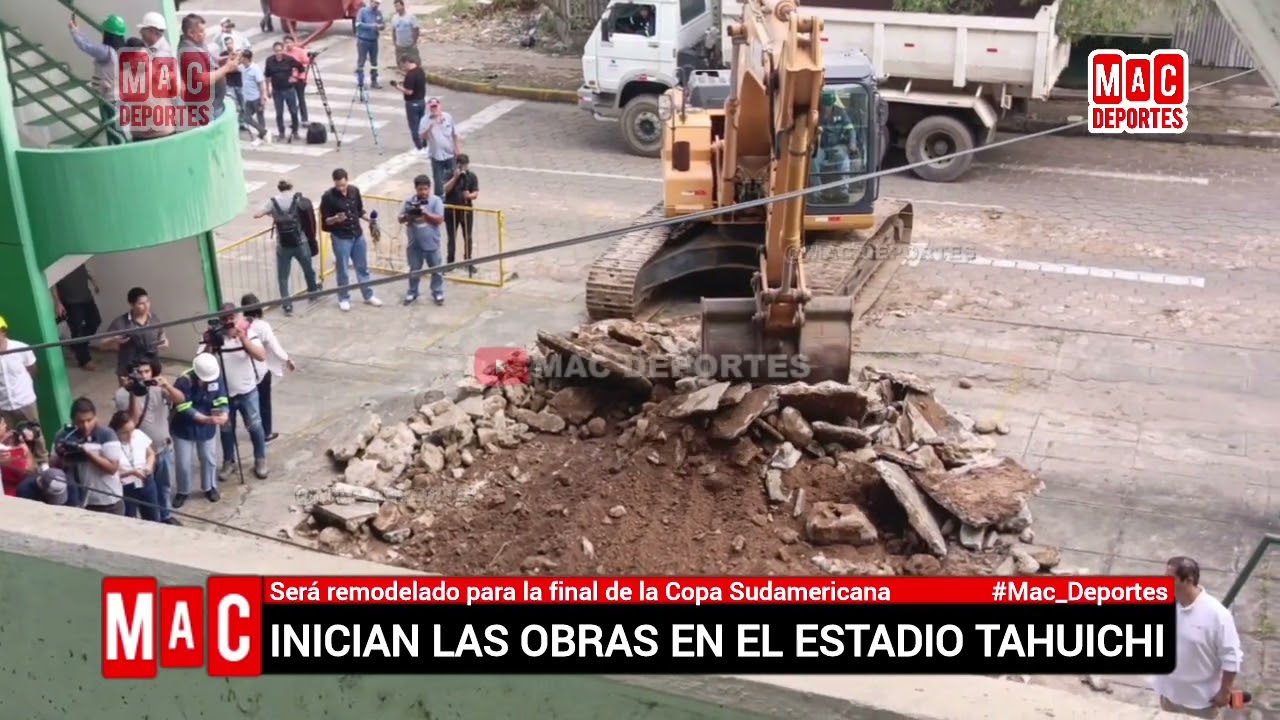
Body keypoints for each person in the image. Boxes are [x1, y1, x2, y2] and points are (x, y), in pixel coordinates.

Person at [1152, 556, 1243, 718]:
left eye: (1169, 578)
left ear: (1188, 580)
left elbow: (1231, 657)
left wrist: (1225, 692)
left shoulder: (1217, 615)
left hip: (1200, 700)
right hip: (1169, 694)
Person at [198, 305, 270, 481]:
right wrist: (210, 344)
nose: (228, 322)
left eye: (231, 318)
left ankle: (260, 459)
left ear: (237, 317)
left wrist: (243, 339)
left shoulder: (248, 332)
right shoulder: (212, 337)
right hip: (223, 394)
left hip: (247, 391)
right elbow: (200, 362)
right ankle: (229, 461)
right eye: (224, 319)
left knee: (255, 426)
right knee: (226, 429)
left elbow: (261, 355)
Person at [114, 355, 184, 524]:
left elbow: (180, 400)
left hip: (163, 448)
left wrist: (166, 385)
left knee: (164, 487)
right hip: (142, 455)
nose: (144, 376)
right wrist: (133, 393)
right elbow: (133, 420)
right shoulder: (123, 394)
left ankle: (165, 516)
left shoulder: (159, 389)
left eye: (147, 371)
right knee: (146, 491)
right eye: (139, 372)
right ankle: (153, 519)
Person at [320, 168, 384, 312]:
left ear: (347, 181)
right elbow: (325, 221)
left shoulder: (354, 191)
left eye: (343, 185)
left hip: (357, 235)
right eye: (338, 186)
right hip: (341, 237)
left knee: (362, 267)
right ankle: (343, 298)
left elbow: (359, 210)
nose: (341, 188)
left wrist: (370, 220)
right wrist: (336, 219)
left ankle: (368, 295)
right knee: (342, 269)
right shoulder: (328, 197)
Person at [255, 179, 321, 316]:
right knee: (308, 269)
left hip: (283, 245)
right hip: (300, 242)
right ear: (291, 187)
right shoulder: (297, 199)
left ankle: (287, 304)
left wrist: (271, 213)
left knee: (283, 276)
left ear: (279, 188)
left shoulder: (272, 202)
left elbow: (257, 215)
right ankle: (313, 291)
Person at [170, 352, 229, 506]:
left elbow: (221, 399)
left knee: (209, 459)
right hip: (184, 427)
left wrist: (224, 414)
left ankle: (210, 487)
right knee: (183, 462)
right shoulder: (184, 381)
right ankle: (183, 491)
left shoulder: (217, 377)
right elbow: (182, 406)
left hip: (207, 428)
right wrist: (203, 418)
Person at [50, 397, 124, 515]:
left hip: (108, 500)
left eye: (89, 420)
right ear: (73, 420)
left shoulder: (107, 435)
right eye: (80, 422)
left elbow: (112, 468)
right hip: (77, 500)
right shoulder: (64, 435)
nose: (85, 425)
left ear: (96, 418)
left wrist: (87, 453)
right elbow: (53, 467)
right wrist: (61, 454)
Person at [240, 294, 296, 442]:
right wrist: (287, 359)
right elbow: (275, 348)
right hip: (261, 369)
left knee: (248, 400)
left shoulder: (240, 327)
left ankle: (250, 425)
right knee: (264, 401)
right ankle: (266, 432)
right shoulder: (263, 327)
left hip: (244, 369)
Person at [68, 13, 128, 144]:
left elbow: (87, 46)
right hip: (119, 96)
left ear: (108, 33)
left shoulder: (106, 52)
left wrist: (74, 31)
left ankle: (126, 153)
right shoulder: (122, 51)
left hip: (109, 99)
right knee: (116, 130)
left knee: (114, 132)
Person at [0, 315, 48, 464]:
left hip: (25, 400)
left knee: (35, 433)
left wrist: (23, 388)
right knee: (9, 438)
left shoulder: (21, 348)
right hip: (3, 404)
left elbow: (32, 369)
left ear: (3, 331)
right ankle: (19, 466)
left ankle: (43, 463)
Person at [175, 14, 240, 122]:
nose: (205, 34)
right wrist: (227, 68)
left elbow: (213, 61)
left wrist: (228, 58)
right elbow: (202, 79)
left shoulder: (197, 44)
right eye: (201, 31)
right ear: (191, 33)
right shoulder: (189, 52)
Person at [399, 174, 446, 305]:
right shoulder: (409, 201)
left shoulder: (436, 201)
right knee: (414, 270)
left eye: (425, 189)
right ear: (416, 189)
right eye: (420, 189)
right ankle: (412, 292)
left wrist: (425, 213)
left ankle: (438, 292)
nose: (423, 192)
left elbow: (439, 220)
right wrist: (408, 215)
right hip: (415, 245)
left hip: (432, 244)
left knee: (436, 270)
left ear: (429, 188)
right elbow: (400, 219)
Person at [104, 287, 169, 382]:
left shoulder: (154, 318)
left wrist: (165, 341)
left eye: (147, 302)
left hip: (152, 367)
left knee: (153, 393)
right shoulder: (120, 322)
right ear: (131, 305)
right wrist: (113, 339)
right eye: (141, 303)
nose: (146, 306)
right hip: (129, 370)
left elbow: (161, 333)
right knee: (127, 395)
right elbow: (103, 344)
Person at [109, 410, 159, 522]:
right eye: (125, 432)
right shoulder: (111, 445)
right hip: (126, 487)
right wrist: (131, 472)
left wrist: (149, 466)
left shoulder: (139, 435)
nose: (130, 435)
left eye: (131, 430)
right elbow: (111, 473)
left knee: (153, 518)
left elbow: (151, 454)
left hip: (146, 481)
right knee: (129, 519)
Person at [52, 263, 102, 371]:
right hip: (71, 302)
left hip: (86, 297)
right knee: (77, 330)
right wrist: (58, 303)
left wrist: (94, 282)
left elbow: (85, 272)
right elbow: (53, 284)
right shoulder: (57, 264)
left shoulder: (76, 260)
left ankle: (78, 344)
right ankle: (84, 360)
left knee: (95, 321)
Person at [442, 154, 479, 274]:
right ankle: (450, 262)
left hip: (466, 210)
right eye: (460, 165)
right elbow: (445, 189)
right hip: (451, 210)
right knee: (451, 237)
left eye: (464, 165)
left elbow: (476, 193)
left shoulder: (471, 176)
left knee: (467, 237)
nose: (462, 167)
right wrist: (455, 177)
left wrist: (469, 196)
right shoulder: (449, 174)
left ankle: (468, 262)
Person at [264, 41, 305, 143]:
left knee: (294, 111)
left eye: (280, 51)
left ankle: (295, 131)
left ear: (283, 50)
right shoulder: (269, 61)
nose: (278, 53)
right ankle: (281, 132)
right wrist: (268, 89)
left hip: (289, 89)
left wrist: (294, 77)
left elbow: (301, 67)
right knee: (279, 113)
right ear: (274, 51)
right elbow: (267, 75)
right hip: (277, 91)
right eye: (276, 51)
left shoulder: (289, 59)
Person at [419, 97, 460, 197]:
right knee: (438, 180)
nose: (434, 109)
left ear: (439, 106)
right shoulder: (425, 120)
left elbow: (454, 134)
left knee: (453, 177)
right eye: (432, 107)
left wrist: (457, 149)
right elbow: (422, 136)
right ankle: (439, 201)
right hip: (436, 155)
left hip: (450, 154)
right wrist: (430, 127)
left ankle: (453, 197)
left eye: (435, 107)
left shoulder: (448, 117)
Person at [0, 414, 38, 497]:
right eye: (3, 424)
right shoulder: (7, 453)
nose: (6, 426)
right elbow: (29, 471)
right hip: (13, 497)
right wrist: (27, 451)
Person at [395, 56, 428, 152]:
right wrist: (404, 82)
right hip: (421, 101)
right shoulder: (420, 71)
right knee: (422, 124)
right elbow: (417, 84)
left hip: (412, 103)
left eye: (403, 65)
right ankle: (425, 141)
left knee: (414, 126)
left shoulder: (410, 75)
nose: (403, 68)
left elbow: (409, 92)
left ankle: (419, 146)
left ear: (406, 63)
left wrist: (397, 86)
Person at [239, 50, 269, 144]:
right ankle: (264, 132)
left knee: (260, 118)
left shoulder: (255, 69)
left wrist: (262, 97)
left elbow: (261, 84)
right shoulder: (242, 67)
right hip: (248, 98)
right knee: (246, 118)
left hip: (256, 98)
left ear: (246, 58)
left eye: (241, 57)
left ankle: (261, 137)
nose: (240, 59)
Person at [355, 0, 386, 90]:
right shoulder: (363, 11)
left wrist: (381, 26)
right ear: (371, 2)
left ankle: (374, 80)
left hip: (374, 41)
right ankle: (360, 82)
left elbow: (383, 24)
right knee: (361, 61)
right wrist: (371, 26)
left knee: (374, 62)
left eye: (378, 4)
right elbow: (358, 24)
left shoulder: (378, 13)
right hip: (363, 40)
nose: (376, 5)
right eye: (375, 3)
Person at [283, 35, 311, 126]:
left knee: (301, 98)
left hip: (300, 79)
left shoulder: (300, 52)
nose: (288, 44)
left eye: (290, 42)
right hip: (289, 79)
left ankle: (304, 118)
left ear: (293, 43)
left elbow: (307, 61)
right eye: (286, 42)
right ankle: (294, 120)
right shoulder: (283, 53)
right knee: (292, 100)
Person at [391, 0, 421, 66]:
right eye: (395, 6)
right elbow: (393, 31)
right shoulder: (394, 18)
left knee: (415, 63)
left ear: (403, 6)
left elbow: (416, 30)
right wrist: (394, 43)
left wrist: (414, 42)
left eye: (398, 6)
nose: (397, 8)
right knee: (401, 64)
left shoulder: (411, 17)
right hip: (400, 46)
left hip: (410, 45)